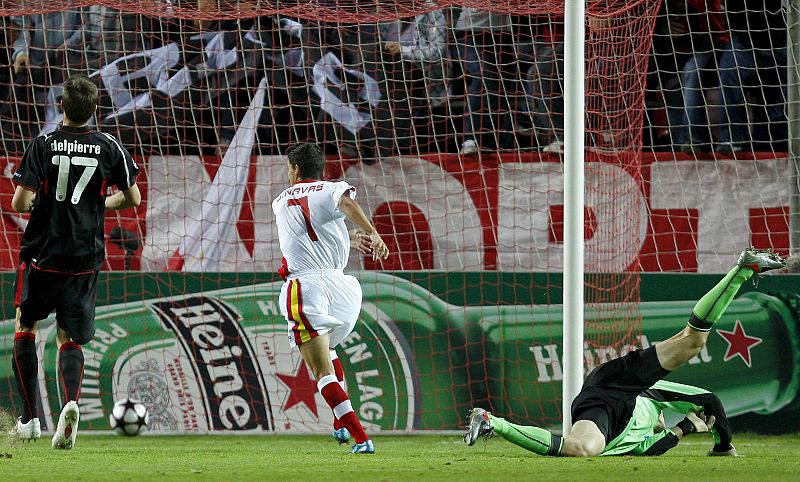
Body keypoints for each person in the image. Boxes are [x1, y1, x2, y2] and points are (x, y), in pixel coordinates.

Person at [465, 247, 786, 456]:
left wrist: (686, 427)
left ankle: (493, 422)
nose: (664, 423)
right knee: (692, 341)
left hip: (602, 415)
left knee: (581, 450)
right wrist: (723, 445)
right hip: (615, 386)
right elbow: (708, 399)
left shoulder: (640, 440)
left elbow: (655, 448)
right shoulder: (653, 397)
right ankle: (744, 269)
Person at [9, 75, 142, 449]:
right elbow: (132, 198)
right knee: (70, 337)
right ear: (94, 111)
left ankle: (29, 419)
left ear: (62, 107)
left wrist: (42, 207)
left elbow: (19, 203)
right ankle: (69, 403)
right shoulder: (108, 145)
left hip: (42, 254)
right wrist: (98, 205)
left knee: (27, 325)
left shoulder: (44, 144)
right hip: (84, 258)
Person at [271, 142, 389, 454]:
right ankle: (339, 424)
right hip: (343, 287)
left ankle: (361, 438)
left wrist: (372, 232)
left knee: (321, 371)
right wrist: (356, 235)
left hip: (306, 286)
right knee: (331, 351)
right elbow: (339, 208)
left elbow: (315, 227)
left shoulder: (280, 202)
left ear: (295, 170)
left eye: (288, 168)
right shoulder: (332, 187)